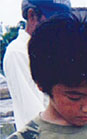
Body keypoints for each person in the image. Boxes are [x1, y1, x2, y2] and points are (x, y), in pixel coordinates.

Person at [3, 0, 71, 130]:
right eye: (54, 20)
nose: (60, 27)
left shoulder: (53, 51)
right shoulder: (18, 53)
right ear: (31, 15)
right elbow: (32, 111)